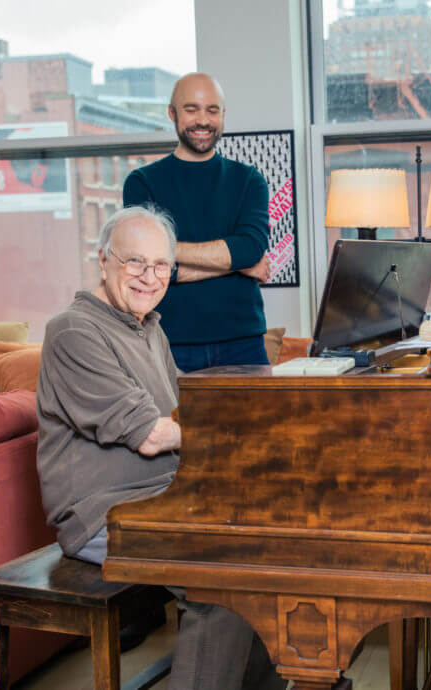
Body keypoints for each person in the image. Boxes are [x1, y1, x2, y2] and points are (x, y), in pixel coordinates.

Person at [36, 205, 284, 690]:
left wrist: (256, 408)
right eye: (135, 262)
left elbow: (182, 405)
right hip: (102, 513)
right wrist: (241, 428)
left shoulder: (148, 325)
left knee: (271, 544)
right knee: (221, 581)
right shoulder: (72, 331)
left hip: (166, 494)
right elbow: (152, 434)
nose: (150, 277)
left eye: (161, 265)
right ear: (104, 260)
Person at [123, 73, 272, 371]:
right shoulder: (142, 183)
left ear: (223, 115)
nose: (202, 120)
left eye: (212, 110)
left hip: (244, 343)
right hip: (169, 343)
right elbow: (145, 266)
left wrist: (167, 252)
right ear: (172, 113)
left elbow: (249, 250)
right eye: (191, 109)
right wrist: (237, 266)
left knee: (254, 421)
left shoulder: (249, 180)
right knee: (170, 421)